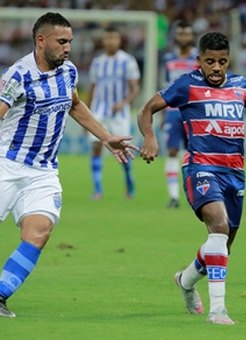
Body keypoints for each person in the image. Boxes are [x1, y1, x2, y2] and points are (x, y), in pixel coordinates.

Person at [137, 31, 246, 325]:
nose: (216, 67)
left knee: (222, 244)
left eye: (222, 61)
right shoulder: (186, 85)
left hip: (235, 173)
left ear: (228, 61)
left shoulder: (241, 85)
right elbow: (147, 109)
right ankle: (218, 311)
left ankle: (185, 281)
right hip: (200, 167)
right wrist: (150, 136)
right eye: (209, 61)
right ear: (199, 60)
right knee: (219, 228)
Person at [0, 12, 138, 318]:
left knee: (39, 231)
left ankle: (0, 294)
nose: (68, 48)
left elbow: (75, 104)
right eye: (62, 42)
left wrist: (106, 137)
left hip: (44, 171)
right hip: (7, 165)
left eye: (70, 42)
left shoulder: (69, 72)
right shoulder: (18, 75)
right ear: (41, 40)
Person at [86, 25, 140, 200]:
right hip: (98, 110)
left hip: (119, 112)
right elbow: (92, 88)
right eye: (108, 38)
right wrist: (86, 113)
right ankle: (97, 189)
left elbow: (134, 89)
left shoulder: (128, 61)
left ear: (119, 40)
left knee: (122, 148)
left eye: (114, 38)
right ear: (104, 40)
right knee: (96, 147)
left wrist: (124, 103)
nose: (111, 42)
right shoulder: (97, 62)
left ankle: (129, 183)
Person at [162, 20, 198, 208]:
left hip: (192, 112)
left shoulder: (198, 60)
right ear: (176, 36)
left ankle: (193, 193)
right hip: (173, 112)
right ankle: (174, 196)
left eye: (187, 34)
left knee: (193, 153)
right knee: (172, 151)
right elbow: (166, 88)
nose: (183, 37)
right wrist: (161, 114)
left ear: (192, 37)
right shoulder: (168, 59)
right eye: (181, 34)